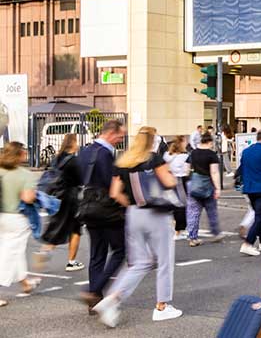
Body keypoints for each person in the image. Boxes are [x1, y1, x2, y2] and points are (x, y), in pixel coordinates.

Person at [93, 128, 182, 326]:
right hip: (156, 214)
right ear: (153, 142)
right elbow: (168, 182)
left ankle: (112, 298)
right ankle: (162, 306)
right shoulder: (155, 160)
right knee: (165, 260)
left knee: (140, 261)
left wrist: (132, 205)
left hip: (134, 214)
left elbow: (115, 193)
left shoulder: (123, 161)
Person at [78, 119, 127, 309]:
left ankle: (95, 299)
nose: (119, 140)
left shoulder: (85, 151)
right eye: (119, 136)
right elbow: (110, 184)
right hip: (106, 209)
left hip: (88, 206)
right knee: (119, 250)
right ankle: (94, 289)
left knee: (97, 254)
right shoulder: (106, 154)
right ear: (110, 133)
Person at [36, 133, 85, 272]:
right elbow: (81, 179)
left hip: (57, 196)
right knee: (75, 229)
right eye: (77, 142)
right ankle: (70, 261)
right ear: (73, 143)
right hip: (71, 198)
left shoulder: (57, 159)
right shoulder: (73, 161)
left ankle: (45, 252)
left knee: (58, 226)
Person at [0, 142, 40, 307]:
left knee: (14, 250)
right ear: (19, 155)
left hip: (2, 216)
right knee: (10, 253)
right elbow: (27, 198)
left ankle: (25, 283)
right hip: (17, 218)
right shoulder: (25, 175)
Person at [186, 133, 223, 246]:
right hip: (208, 186)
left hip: (194, 185)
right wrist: (217, 188)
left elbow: (187, 169)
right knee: (211, 211)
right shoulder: (212, 155)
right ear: (210, 142)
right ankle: (216, 233)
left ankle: (192, 237)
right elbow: (214, 172)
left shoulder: (193, 153)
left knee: (193, 212)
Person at [163, 136, 190, 240]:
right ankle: (180, 230)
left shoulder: (166, 156)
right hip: (180, 181)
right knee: (182, 205)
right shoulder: (185, 156)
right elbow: (187, 171)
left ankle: (175, 229)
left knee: (173, 205)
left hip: (168, 180)